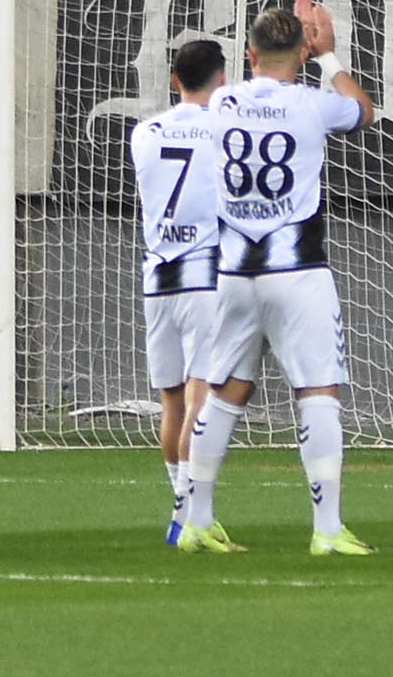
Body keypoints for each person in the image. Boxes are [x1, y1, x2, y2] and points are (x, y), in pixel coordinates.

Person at [174, 0, 376, 559]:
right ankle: (327, 528)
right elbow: (364, 111)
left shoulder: (221, 103)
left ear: (248, 53)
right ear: (302, 52)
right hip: (297, 271)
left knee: (224, 392)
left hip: (233, 275)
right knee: (317, 391)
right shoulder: (314, 103)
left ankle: (196, 520)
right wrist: (331, 56)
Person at [134, 38, 227, 545]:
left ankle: (178, 508)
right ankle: (192, 514)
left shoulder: (143, 133)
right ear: (222, 78)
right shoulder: (224, 129)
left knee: (171, 403)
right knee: (200, 398)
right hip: (204, 276)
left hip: (158, 277)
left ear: (175, 80)